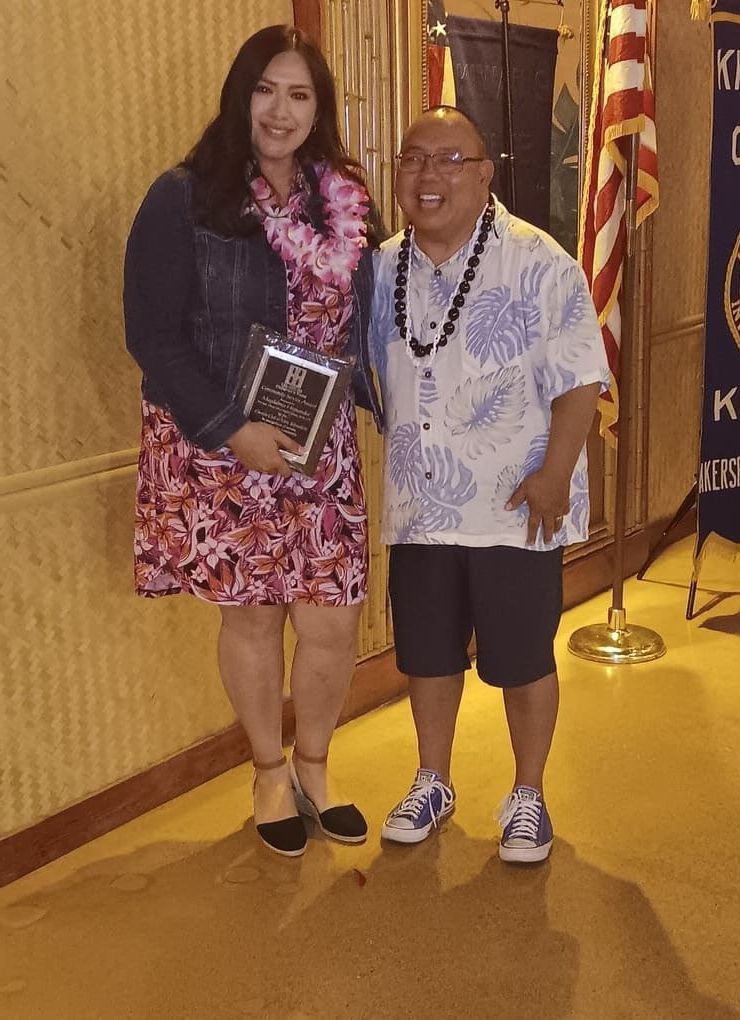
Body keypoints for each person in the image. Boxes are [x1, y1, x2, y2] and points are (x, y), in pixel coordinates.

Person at [123, 25, 383, 858]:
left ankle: (315, 766)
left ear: (319, 107)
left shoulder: (342, 199)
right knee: (255, 617)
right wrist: (234, 430)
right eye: (265, 89)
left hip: (320, 448)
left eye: (299, 93)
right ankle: (269, 771)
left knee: (333, 619)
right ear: (240, 95)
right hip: (227, 449)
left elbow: (369, 316)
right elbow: (152, 335)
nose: (280, 110)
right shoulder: (185, 197)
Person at [370, 107, 609, 863]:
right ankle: (432, 780)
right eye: (414, 159)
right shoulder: (380, 267)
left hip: (516, 504)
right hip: (420, 504)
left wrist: (554, 475)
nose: (428, 175)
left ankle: (527, 793)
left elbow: (580, 380)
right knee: (428, 655)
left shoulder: (539, 262)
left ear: (483, 174)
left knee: (522, 657)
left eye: (449, 159)